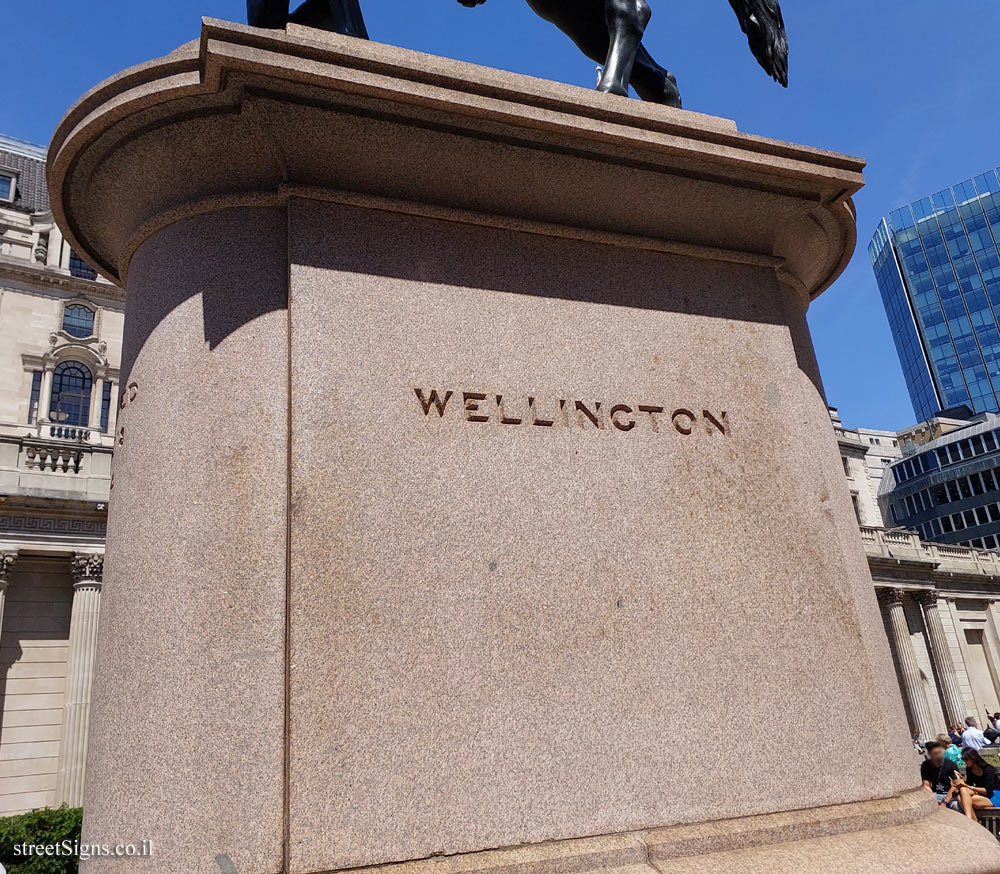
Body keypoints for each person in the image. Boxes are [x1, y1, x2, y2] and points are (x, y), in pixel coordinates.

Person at [955, 748, 1000, 821]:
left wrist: (971, 787)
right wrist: (961, 780)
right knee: (963, 795)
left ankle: (971, 821)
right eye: (963, 759)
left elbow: (988, 791)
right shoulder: (969, 769)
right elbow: (968, 785)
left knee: (962, 799)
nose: (965, 762)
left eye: (966, 759)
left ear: (973, 758)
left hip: (995, 795)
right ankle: (971, 821)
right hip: (982, 795)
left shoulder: (988, 769)